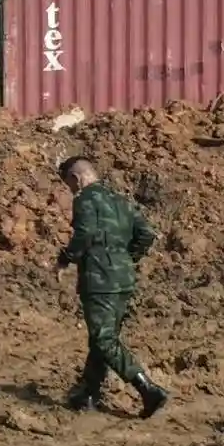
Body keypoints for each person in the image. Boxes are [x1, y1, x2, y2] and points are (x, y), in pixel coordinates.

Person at [56, 157, 168, 418]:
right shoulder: (120, 200)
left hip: (99, 280)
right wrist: (126, 259)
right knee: (103, 337)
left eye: (69, 184)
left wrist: (65, 259)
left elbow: (83, 234)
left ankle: (148, 389)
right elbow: (146, 233)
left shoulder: (85, 199)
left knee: (104, 339)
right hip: (123, 279)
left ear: (77, 177)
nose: (71, 190)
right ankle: (88, 392)